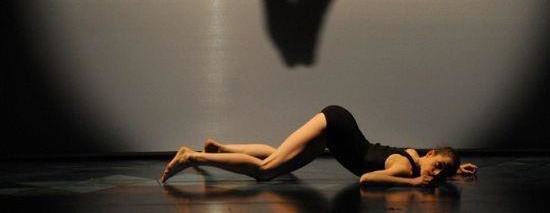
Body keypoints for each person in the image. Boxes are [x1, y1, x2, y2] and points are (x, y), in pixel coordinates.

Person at [160, 105, 478, 186]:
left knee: (280, 157)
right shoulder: (405, 168)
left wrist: (453, 171)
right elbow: (368, 179)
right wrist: (415, 184)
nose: (437, 173)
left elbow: (432, 168)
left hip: (336, 130)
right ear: (429, 154)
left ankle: (219, 148)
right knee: (266, 171)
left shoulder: (413, 156)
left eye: (443, 173)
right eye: (438, 166)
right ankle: (191, 157)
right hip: (335, 130)